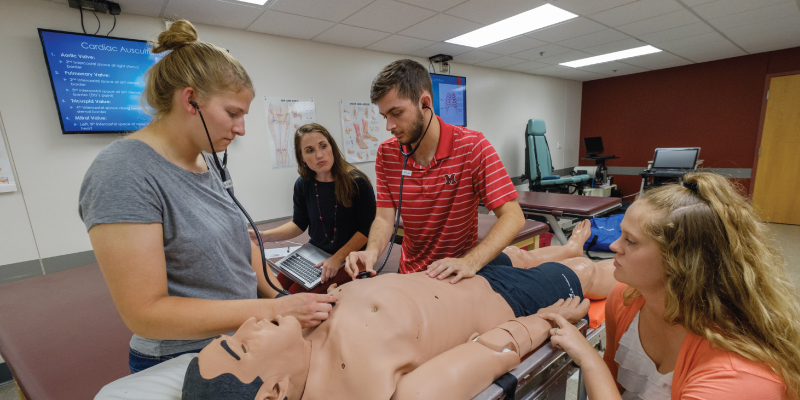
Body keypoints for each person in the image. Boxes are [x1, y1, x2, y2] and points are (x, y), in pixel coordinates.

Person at [78, 20, 335, 373]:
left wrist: (280, 297)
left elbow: (240, 246)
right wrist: (272, 311)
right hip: (182, 357)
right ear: (190, 99)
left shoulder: (208, 162)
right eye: (233, 113)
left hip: (241, 338)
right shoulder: (123, 172)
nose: (241, 129)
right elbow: (145, 313)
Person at [181, 221, 617, 400]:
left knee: (521, 255)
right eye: (242, 345)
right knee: (586, 272)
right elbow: (486, 353)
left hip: (452, 273)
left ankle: (570, 244)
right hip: (507, 302)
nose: (250, 323)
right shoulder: (361, 388)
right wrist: (542, 323)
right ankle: (583, 256)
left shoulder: (297, 324)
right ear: (274, 392)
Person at [542, 172, 800, 400]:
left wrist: (588, 358)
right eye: (621, 234)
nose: (613, 246)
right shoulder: (625, 298)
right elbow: (614, 379)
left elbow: (602, 371)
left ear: (681, 262)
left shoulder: (736, 377)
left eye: (630, 241)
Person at [345, 59, 525, 284]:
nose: (388, 126)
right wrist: (372, 251)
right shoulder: (386, 154)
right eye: (385, 116)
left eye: (396, 113)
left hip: (457, 276)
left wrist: (471, 261)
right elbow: (383, 218)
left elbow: (513, 217)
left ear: (425, 102)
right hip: (411, 276)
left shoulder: (472, 146)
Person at [250, 123, 376, 294]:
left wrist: (337, 258)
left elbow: (367, 230)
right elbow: (299, 223)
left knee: (292, 296)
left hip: (349, 258)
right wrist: (264, 236)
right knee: (273, 289)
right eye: (309, 150)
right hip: (315, 252)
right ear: (302, 157)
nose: (319, 155)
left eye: (323, 146)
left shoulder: (357, 182)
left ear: (332, 146)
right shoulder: (303, 184)